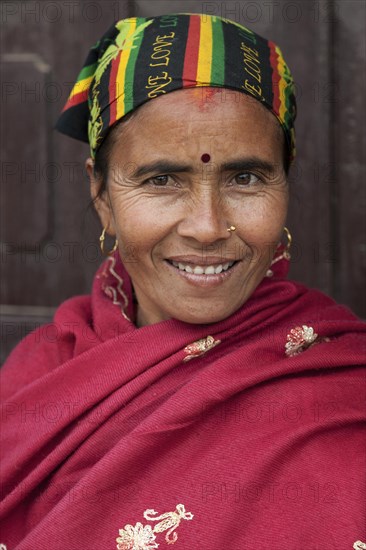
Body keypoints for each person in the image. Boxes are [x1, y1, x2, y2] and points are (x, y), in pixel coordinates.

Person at [0, 13, 365, 550]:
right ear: (101, 195)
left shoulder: (342, 391)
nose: (208, 227)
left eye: (245, 178)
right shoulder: (41, 374)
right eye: (161, 179)